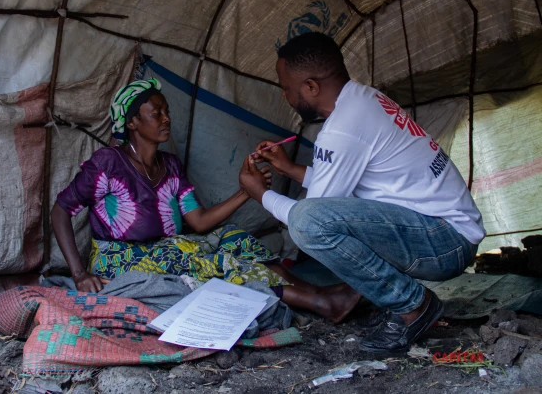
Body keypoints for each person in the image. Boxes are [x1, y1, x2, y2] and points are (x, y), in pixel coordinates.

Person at [238, 32, 486, 353]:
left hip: (443, 241)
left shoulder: (342, 128)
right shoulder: (364, 99)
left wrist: (260, 194)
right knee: (337, 209)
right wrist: (288, 168)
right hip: (445, 231)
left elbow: (312, 218)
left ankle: (411, 304)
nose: (285, 96)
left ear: (311, 87)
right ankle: (387, 301)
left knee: (307, 223)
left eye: (286, 88)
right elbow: (340, 185)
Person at [51, 78, 357, 322]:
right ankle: (322, 302)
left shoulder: (169, 166)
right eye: (156, 113)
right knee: (214, 263)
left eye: (166, 111)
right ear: (131, 123)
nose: (166, 118)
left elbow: (198, 222)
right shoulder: (108, 163)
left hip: (166, 248)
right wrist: (79, 274)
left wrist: (245, 192)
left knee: (234, 238)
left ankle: (319, 292)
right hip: (121, 258)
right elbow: (62, 210)